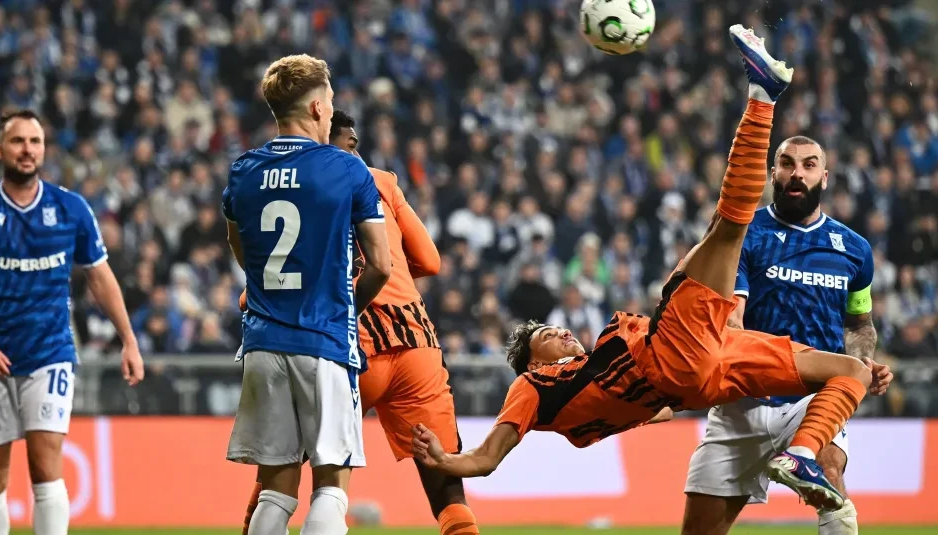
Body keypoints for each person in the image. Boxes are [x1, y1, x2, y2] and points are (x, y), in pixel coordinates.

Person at [411, 26, 891, 513]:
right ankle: (762, 95)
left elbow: (650, 409)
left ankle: (803, 455)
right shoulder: (531, 388)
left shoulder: (586, 400)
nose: (561, 332)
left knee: (850, 369)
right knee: (728, 227)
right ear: (534, 364)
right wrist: (448, 461)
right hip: (674, 356)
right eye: (547, 336)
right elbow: (488, 458)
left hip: (704, 375)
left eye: (555, 328)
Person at [238, 110, 480, 535]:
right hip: (415, 341)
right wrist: (391, 268)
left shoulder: (296, 184)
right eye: (353, 143)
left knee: (280, 476)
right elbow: (430, 261)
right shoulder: (381, 181)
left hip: (343, 341)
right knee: (445, 489)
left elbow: (259, 288)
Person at [0, 108, 145, 535]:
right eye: (17, 141)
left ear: (45, 150)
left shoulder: (71, 208)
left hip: (50, 353)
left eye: (35, 141)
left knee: (44, 466)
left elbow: (100, 276)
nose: (27, 150)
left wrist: (129, 339)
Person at [680, 134, 886, 535]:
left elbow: (859, 323)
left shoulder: (855, 251)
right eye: (787, 164)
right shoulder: (744, 232)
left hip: (813, 397)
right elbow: (731, 316)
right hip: (742, 400)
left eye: (809, 165)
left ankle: (809, 460)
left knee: (828, 472)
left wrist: (862, 362)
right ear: (773, 172)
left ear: (824, 177)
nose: (797, 174)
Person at [222, 55, 391, 535]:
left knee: (275, 489)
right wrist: (344, 308)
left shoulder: (243, 171)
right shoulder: (345, 170)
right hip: (324, 342)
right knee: (331, 487)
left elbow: (243, 252)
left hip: (262, 343)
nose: (334, 109)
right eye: (332, 101)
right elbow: (381, 263)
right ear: (318, 108)